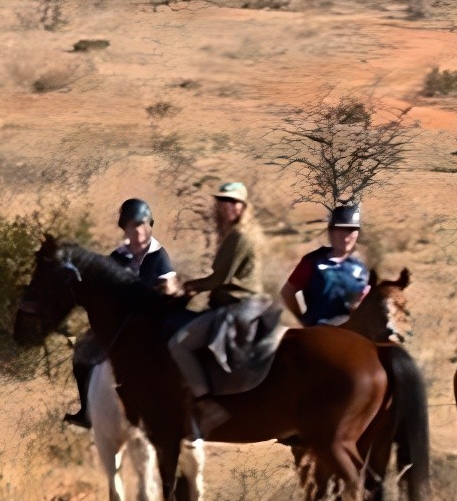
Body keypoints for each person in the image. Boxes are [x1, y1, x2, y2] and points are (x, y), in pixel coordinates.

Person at [67, 199, 180, 429]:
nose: (137, 231)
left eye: (141, 225)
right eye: (131, 226)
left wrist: (166, 290)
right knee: (82, 352)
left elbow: (170, 289)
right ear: (124, 228)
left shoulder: (159, 256)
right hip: (117, 324)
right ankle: (88, 413)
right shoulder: (117, 257)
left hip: (149, 323)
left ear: (149, 226)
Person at [172, 180, 266, 435]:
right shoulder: (242, 233)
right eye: (223, 201)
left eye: (233, 202)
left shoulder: (238, 235)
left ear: (243, 206)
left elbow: (218, 280)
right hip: (248, 303)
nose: (227, 206)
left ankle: (205, 403)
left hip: (237, 305)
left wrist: (185, 287)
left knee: (178, 345)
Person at [282, 201, 371, 327]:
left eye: (350, 230)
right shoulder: (312, 261)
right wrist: (301, 319)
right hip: (317, 330)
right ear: (330, 232)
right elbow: (288, 291)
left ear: (357, 234)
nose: (345, 237)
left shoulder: (359, 267)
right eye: (339, 230)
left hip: (351, 332)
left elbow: (359, 307)